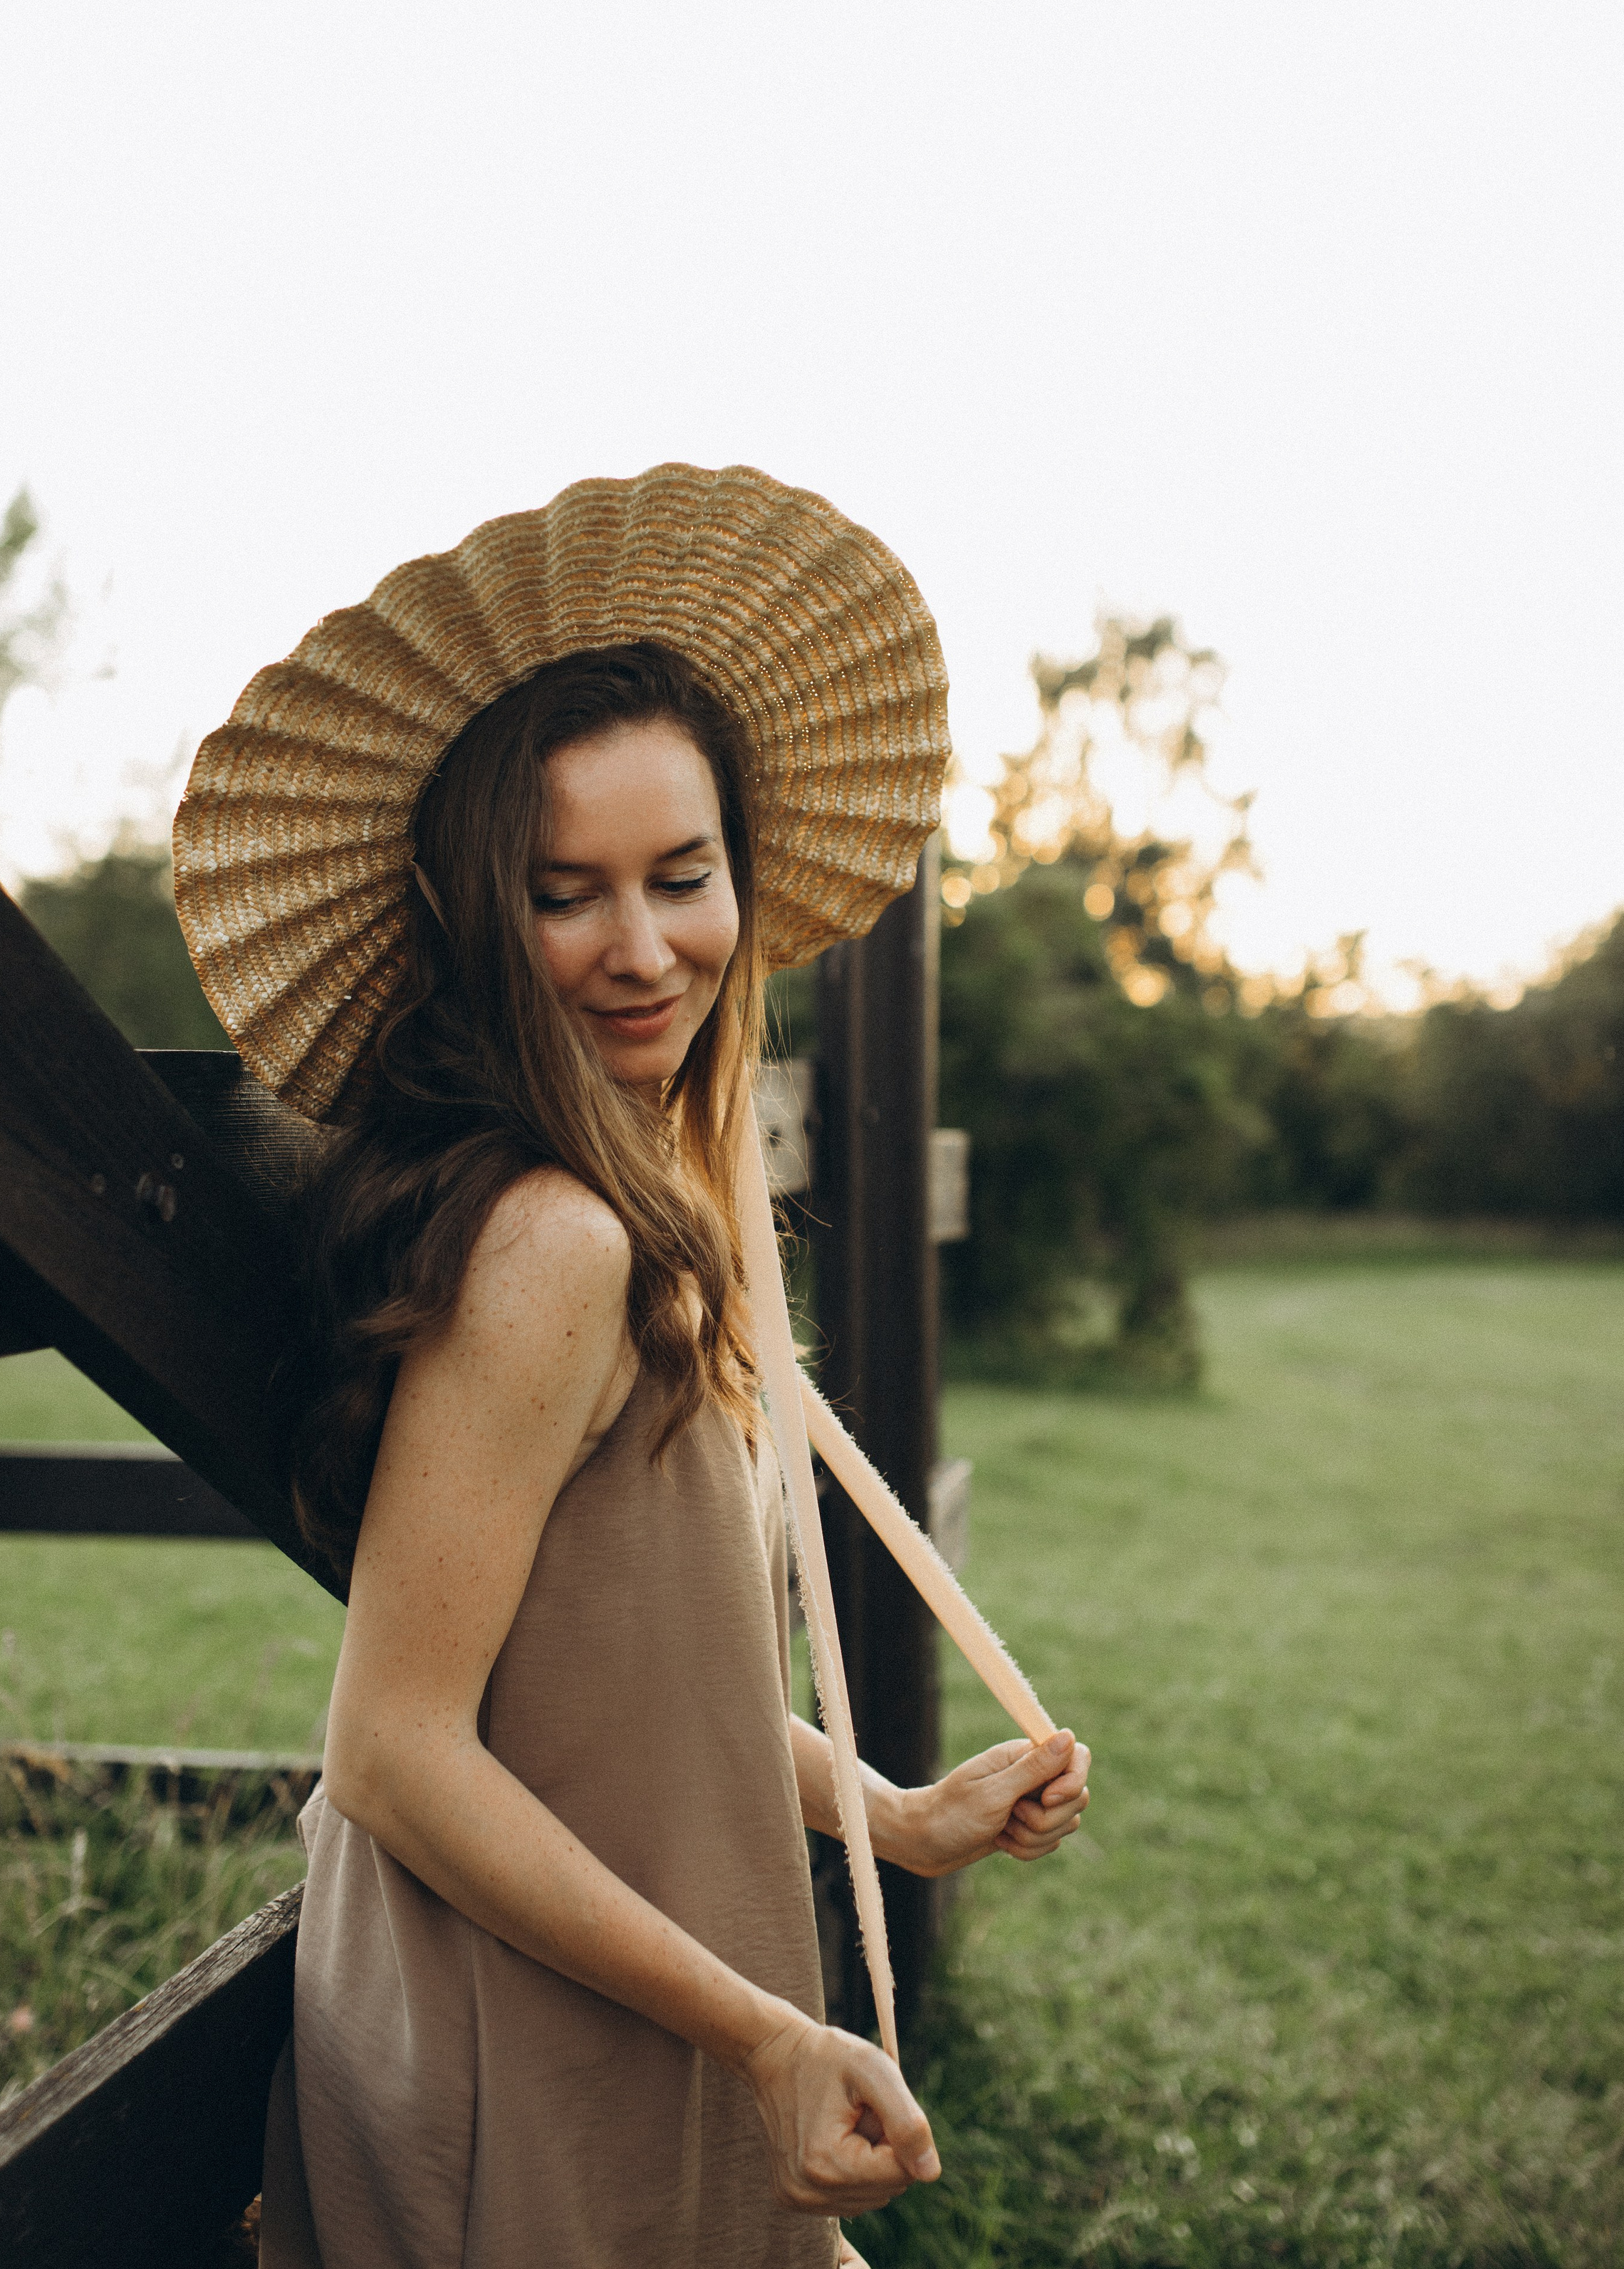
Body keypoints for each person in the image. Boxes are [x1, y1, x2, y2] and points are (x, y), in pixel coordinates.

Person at [173, 466, 1091, 2269]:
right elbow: (395, 1752)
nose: (642, 949)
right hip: (522, 2037)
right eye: (563, 894)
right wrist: (762, 2034)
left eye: (681, 877)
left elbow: (628, 1691)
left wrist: (894, 1820)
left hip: (645, 1982)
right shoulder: (551, 1242)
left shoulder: (654, 1193)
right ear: (474, 916)